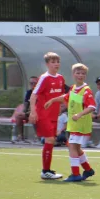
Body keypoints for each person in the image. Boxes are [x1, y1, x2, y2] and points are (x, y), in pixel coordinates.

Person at [45, 63, 96, 182]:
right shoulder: (74, 88)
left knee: (72, 146)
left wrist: (79, 114)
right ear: (73, 74)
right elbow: (66, 97)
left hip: (81, 124)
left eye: (83, 73)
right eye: (78, 73)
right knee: (76, 148)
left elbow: (92, 106)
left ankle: (75, 174)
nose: (80, 75)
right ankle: (88, 170)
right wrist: (53, 100)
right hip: (74, 124)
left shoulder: (86, 90)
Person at [29, 52, 66, 180]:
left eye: (57, 61)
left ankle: (47, 170)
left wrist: (63, 106)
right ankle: (45, 171)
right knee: (50, 140)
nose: (56, 64)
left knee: (51, 141)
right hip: (43, 114)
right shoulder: (44, 78)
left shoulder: (61, 78)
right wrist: (33, 112)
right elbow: (33, 95)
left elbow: (61, 97)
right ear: (47, 64)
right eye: (53, 62)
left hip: (54, 115)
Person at [13, 76, 38, 143]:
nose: (32, 85)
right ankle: (20, 136)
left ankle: (38, 136)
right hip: (30, 112)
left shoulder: (40, 92)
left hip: (39, 113)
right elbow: (26, 104)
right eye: (31, 83)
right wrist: (25, 111)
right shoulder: (29, 92)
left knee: (34, 116)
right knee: (19, 116)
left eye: (34, 83)